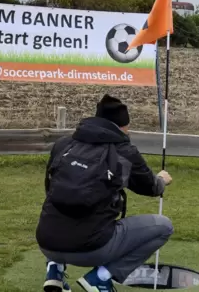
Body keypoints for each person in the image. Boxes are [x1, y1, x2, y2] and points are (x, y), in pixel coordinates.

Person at [36, 94, 174, 292]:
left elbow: (50, 189)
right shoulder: (124, 151)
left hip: (46, 242)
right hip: (93, 250)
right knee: (164, 227)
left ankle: (54, 270)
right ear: (122, 126)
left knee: (56, 211)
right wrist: (161, 180)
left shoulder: (63, 145)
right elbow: (150, 187)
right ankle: (100, 277)